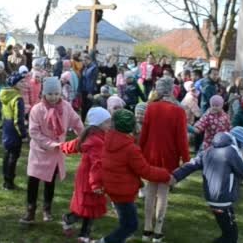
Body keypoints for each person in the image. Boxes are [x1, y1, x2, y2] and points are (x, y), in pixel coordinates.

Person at [96, 109, 172, 243]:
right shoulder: (130, 148)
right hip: (123, 191)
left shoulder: (107, 140)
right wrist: (165, 174)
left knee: (125, 221)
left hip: (113, 187)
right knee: (130, 225)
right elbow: (145, 171)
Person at [172, 127, 243, 243]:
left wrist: (175, 176)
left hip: (212, 198)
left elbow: (193, 164)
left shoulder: (209, 149)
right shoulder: (232, 150)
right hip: (224, 199)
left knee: (228, 233)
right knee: (231, 237)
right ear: (239, 144)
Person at [21, 77, 84, 224]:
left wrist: (84, 136)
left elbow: (76, 122)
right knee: (34, 180)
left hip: (56, 154)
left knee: (50, 181)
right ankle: (30, 210)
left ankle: (47, 209)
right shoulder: (37, 110)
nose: (54, 97)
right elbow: (34, 132)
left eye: (56, 93)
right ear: (44, 94)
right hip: (39, 152)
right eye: (50, 94)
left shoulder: (66, 107)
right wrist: (51, 144)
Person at [139, 77, 191, 243]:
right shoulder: (179, 111)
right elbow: (182, 139)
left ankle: (147, 229)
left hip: (150, 154)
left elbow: (144, 134)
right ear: (171, 90)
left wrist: (139, 152)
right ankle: (158, 230)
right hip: (169, 156)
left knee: (150, 191)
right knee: (163, 193)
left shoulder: (151, 108)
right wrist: (187, 159)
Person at [61, 107, 112, 243]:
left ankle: (84, 235)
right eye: (107, 122)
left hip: (90, 178)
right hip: (90, 179)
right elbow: (97, 165)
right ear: (99, 124)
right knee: (84, 207)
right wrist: (96, 183)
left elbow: (74, 145)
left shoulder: (93, 135)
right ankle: (68, 219)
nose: (110, 125)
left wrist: (62, 146)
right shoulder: (96, 141)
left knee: (91, 208)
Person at [1, 73, 28, 190]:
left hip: (6, 127)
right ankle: (9, 182)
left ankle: (5, 180)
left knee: (7, 154)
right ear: (15, 84)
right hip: (14, 130)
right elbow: (19, 120)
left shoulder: (6, 94)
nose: (24, 84)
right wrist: (23, 135)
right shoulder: (18, 99)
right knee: (13, 156)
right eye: (21, 82)